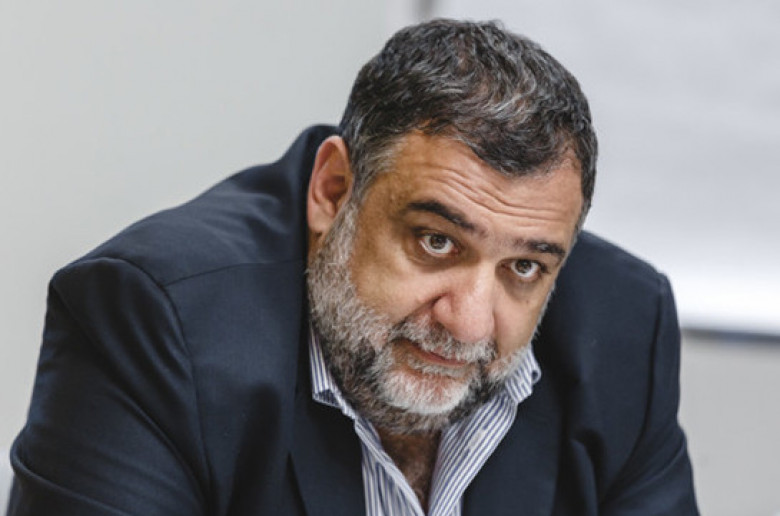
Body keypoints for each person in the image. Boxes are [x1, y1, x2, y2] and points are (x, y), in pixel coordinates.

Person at [7, 19, 698, 515]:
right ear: (333, 191)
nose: (469, 323)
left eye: (524, 267)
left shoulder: (625, 329)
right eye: (436, 243)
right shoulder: (156, 320)